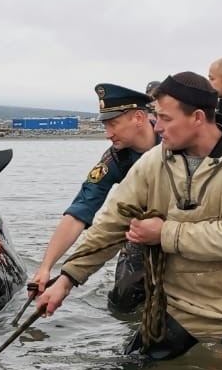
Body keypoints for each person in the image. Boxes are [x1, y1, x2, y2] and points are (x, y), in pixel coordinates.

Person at [36, 72, 222, 370]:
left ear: (198, 117)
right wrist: (66, 280)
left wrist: (162, 233)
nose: (157, 127)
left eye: (164, 118)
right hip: (180, 304)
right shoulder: (154, 160)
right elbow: (111, 223)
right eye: (155, 117)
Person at [29, 84, 159, 312]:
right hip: (139, 232)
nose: (108, 134)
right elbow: (80, 210)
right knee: (123, 302)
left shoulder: (174, 139)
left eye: (113, 123)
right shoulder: (115, 160)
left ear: (139, 117)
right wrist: (46, 267)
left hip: (182, 229)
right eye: (105, 125)